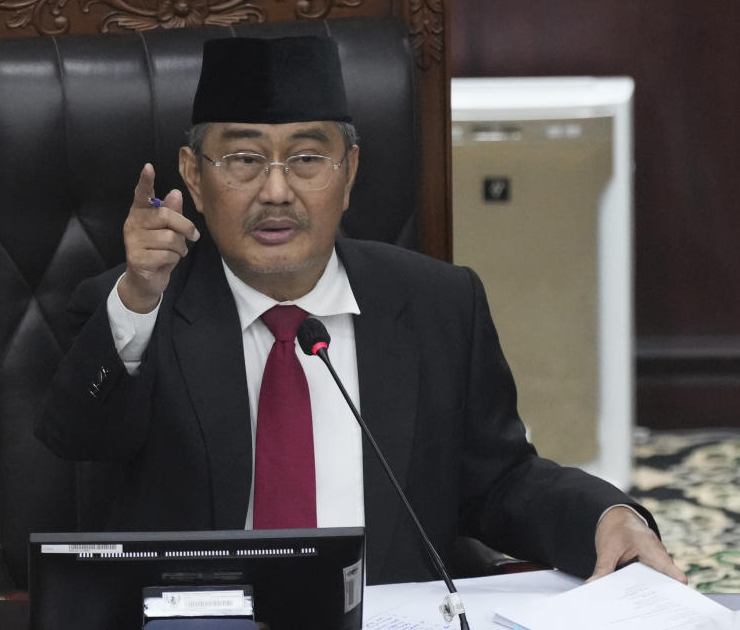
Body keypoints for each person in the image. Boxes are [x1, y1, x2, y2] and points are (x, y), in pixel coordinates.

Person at [35, 35, 684, 585]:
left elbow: (497, 482)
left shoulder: (438, 304)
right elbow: (75, 439)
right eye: (243, 159)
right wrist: (139, 299)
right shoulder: (139, 306)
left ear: (349, 171)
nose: (278, 190)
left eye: (308, 158)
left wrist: (605, 515)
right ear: (194, 176)